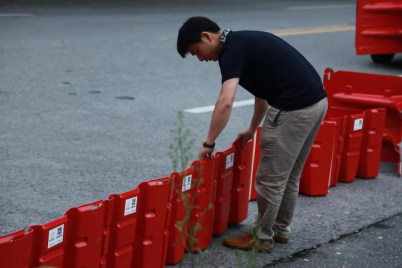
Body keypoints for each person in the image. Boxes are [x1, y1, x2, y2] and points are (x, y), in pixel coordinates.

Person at [176, 16, 327, 252]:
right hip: (316, 103)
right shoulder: (243, 41)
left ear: (207, 36)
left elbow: (225, 102)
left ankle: (261, 237)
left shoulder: (231, 52)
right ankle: (280, 231)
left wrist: (209, 142)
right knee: (289, 176)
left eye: (197, 51)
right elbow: (262, 90)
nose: (201, 58)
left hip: (294, 108)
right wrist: (253, 127)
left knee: (269, 180)